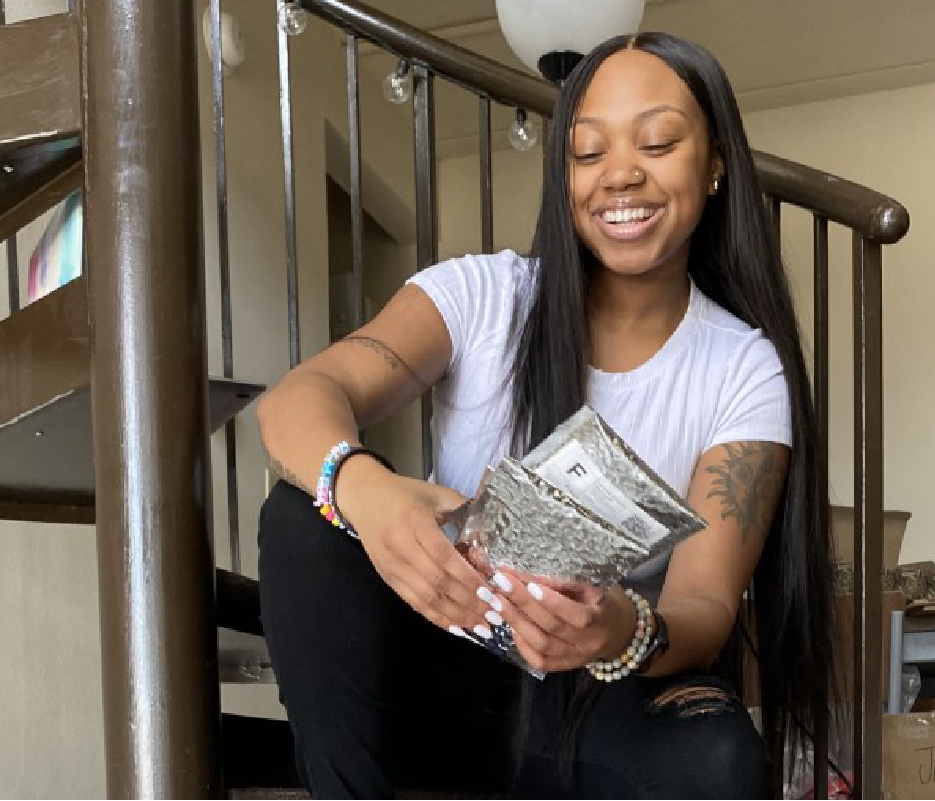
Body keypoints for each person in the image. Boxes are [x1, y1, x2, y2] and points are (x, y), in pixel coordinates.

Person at [256, 31, 833, 799]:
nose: (620, 174)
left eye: (657, 142)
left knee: (717, 756)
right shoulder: (482, 298)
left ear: (716, 160)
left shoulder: (742, 366)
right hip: (438, 675)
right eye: (587, 154)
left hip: (592, 692)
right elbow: (300, 396)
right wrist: (366, 489)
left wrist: (620, 626)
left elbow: (703, 601)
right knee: (304, 515)